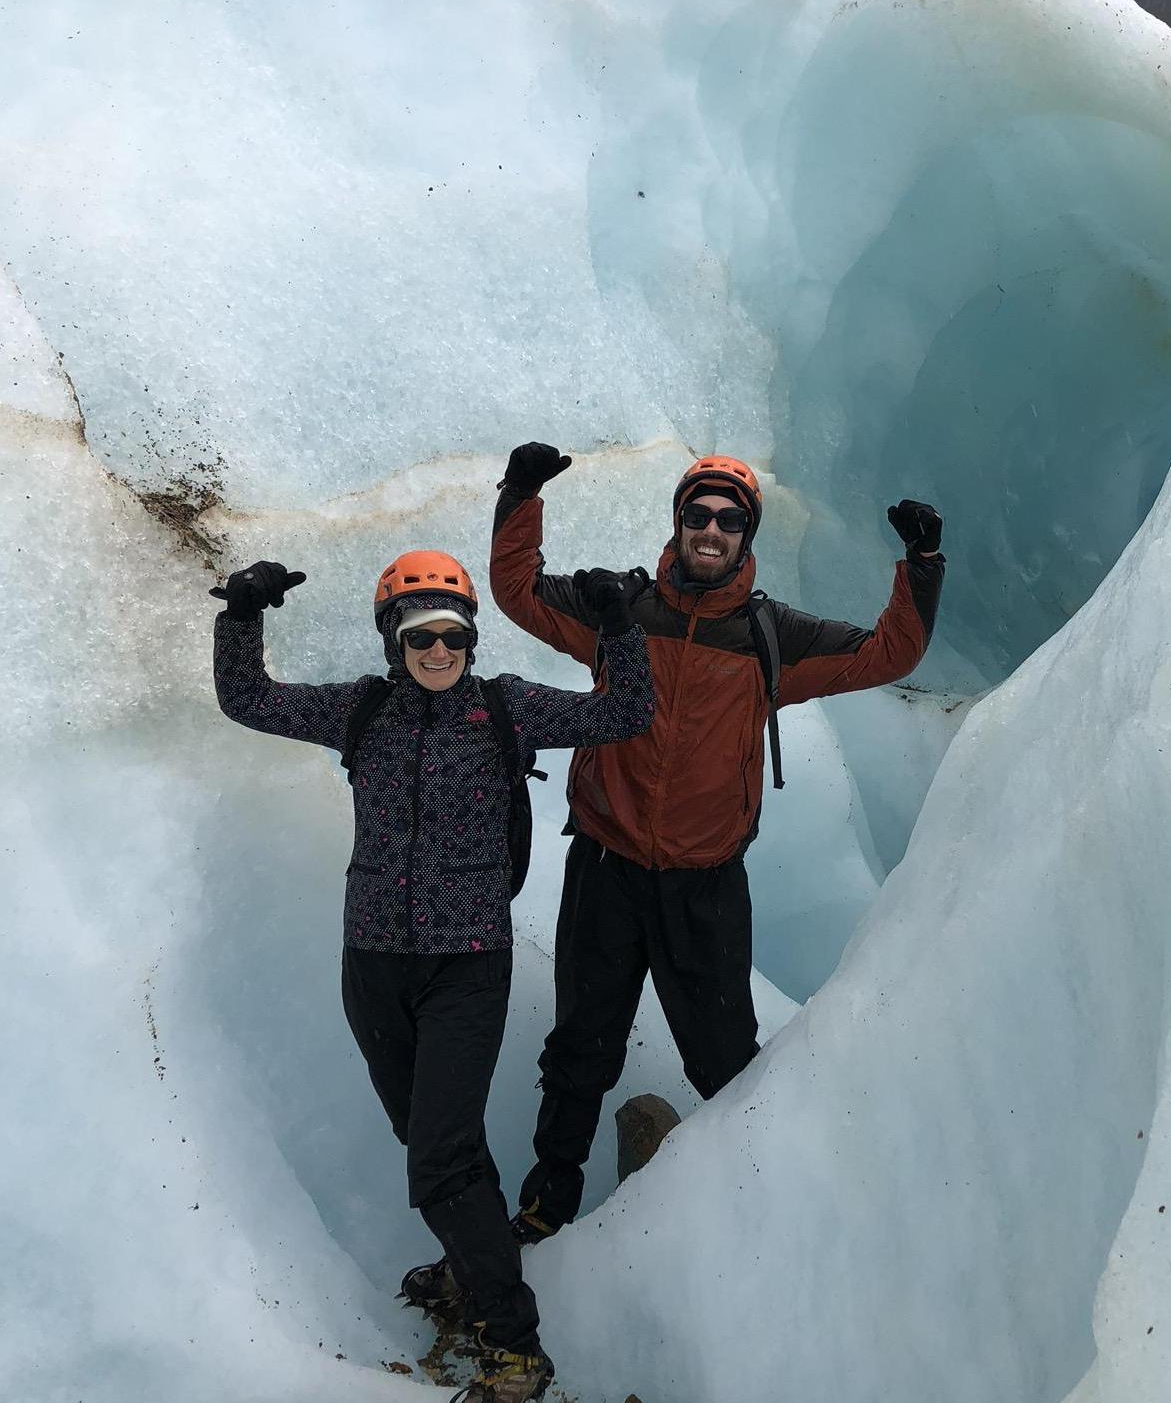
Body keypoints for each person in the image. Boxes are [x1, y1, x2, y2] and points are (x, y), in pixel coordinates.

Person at [211, 550, 654, 1403]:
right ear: (393, 638)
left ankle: (515, 1349)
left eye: (453, 634)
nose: (439, 649)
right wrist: (242, 617)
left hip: (468, 965)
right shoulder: (363, 711)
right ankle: (466, 1266)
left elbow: (626, 711)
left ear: (471, 639)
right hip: (372, 963)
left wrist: (617, 627)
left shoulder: (506, 708)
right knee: (431, 1141)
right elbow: (250, 699)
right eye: (420, 634)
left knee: (442, 1154)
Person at [488, 446, 945, 1241]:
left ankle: (753, 1214)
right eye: (697, 514)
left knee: (725, 1055)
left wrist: (923, 563)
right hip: (606, 866)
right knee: (579, 1050)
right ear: (678, 521)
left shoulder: (771, 637)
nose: (711, 529)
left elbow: (888, 653)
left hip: (704, 884)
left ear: (747, 534)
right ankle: (545, 1206)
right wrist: (521, 494)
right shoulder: (616, 609)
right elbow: (517, 591)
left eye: (729, 519)